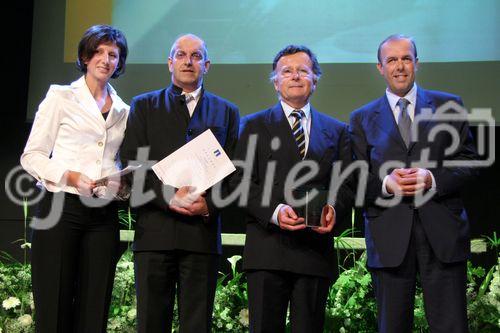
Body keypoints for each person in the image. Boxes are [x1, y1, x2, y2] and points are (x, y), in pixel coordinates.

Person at [349, 34, 478, 332]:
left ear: (417, 64)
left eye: (406, 58)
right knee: (392, 325)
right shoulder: (361, 118)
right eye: (391, 60)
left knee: (451, 325)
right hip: (389, 236)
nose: (400, 66)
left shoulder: (450, 105)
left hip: (442, 232)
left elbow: (469, 160)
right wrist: (386, 185)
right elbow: (354, 177)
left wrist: (432, 178)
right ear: (380, 68)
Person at [119, 33, 239, 333]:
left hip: (202, 236)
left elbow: (237, 173)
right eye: (181, 54)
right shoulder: (143, 105)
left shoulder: (227, 111)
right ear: (169, 62)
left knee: (197, 325)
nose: (188, 61)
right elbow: (133, 166)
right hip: (155, 235)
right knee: (151, 323)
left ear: (207, 65)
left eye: (196, 55)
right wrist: (169, 197)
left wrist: (209, 205)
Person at [231, 45, 352, 333]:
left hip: (313, 252)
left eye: (303, 70)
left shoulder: (337, 130)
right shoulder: (251, 126)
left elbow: (347, 183)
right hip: (267, 251)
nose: (295, 76)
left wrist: (333, 208)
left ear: (316, 79)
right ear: (275, 81)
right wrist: (273, 211)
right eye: (287, 71)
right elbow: (237, 182)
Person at [20, 25, 129, 332]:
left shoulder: (124, 109)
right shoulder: (61, 96)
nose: (105, 60)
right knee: (53, 304)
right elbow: (32, 156)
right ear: (84, 56)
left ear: (119, 63)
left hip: (103, 215)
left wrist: (119, 183)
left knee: (95, 307)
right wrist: (69, 175)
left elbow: (117, 160)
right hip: (60, 208)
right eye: (98, 52)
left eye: (113, 54)